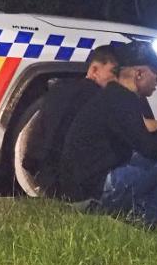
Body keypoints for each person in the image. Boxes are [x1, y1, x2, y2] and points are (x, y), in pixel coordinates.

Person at [59, 42, 157, 229]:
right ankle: (146, 226)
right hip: (92, 192)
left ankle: (137, 216)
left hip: (83, 187)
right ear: (139, 74)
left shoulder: (115, 95)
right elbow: (148, 149)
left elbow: (138, 138)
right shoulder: (121, 99)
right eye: (155, 71)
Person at [23, 45, 120, 197]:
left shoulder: (60, 88)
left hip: (42, 176)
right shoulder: (98, 98)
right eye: (114, 73)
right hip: (72, 185)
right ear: (94, 70)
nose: (117, 79)